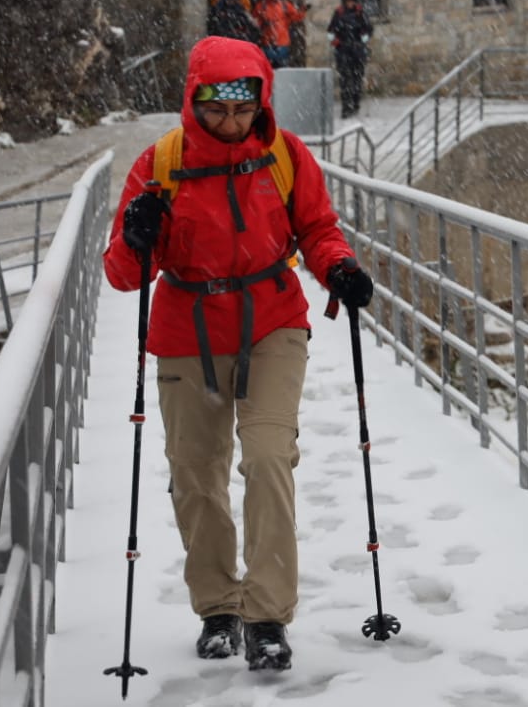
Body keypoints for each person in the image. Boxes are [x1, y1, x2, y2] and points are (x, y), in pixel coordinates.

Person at [104, 36, 375, 672]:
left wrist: (338, 268)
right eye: (217, 111)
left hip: (272, 320)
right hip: (187, 329)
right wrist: (138, 234)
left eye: (242, 110)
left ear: (260, 102)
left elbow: (317, 228)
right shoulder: (159, 165)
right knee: (196, 475)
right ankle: (218, 607)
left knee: (268, 458)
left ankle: (268, 617)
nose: (231, 125)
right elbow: (121, 273)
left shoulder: (283, 155)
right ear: (193, 100)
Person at [326, 0, 373, 118]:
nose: (350, 3)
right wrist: (333, 39)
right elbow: (331, 29)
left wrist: (365, 37)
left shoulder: (360, 13)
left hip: (357, 50)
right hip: (343, 50)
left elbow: (368, 28)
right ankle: (346, 107)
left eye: (352, 1)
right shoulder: (339, 13)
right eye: (348, 1)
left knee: (357, 78)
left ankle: (356, 103)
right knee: (345, 80)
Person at [253, 0, 306, 69]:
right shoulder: (262, 5)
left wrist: (302, 11)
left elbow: (296, 16)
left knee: (280, 68)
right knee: (270, 68)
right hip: (269, 43)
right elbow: (256, 21)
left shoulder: (285, 5)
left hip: (281, 42)